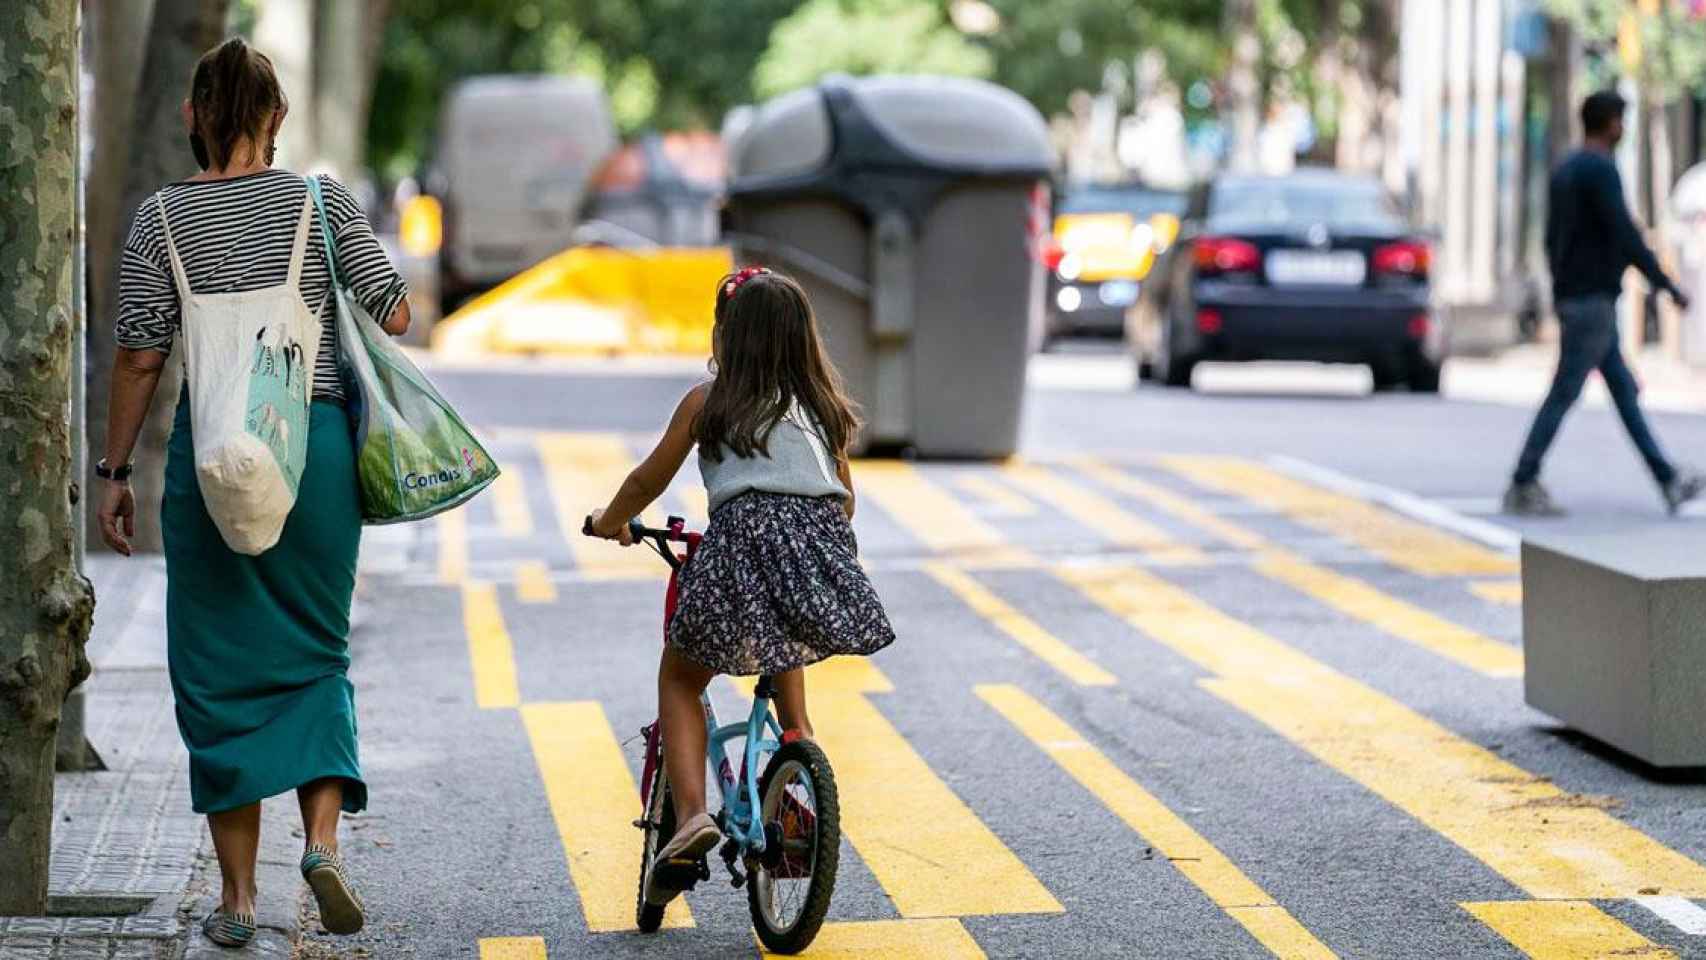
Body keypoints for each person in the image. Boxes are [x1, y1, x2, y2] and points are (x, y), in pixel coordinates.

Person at [98, 38, 410, 947]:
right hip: (310, 454)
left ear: (192, 116)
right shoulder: (320, 200)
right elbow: (394, 310)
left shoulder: (161, 220)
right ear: (276, 118)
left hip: (212, 457)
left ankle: (237, 901)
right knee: (316, 654)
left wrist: (115, 473)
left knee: (215, 673)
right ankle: (319, 850)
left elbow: (140, 355)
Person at [588, 267, 895, 908]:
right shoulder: (822, 410)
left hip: (739, 544)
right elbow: (846, 502)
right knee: (792, 691)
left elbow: (648, 482)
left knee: (680, 678)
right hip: (819, 552)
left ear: (726, 337)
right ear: (803, 342)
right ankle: (795, 758)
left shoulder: (709, 402)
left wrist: (611, 522)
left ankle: (695, 815)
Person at [1505, 90, 1700, 516]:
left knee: (1624, 393)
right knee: (1564, 392)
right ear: (1610, 123)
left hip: (1580, 299)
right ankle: (1523, 478)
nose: (1624, 129)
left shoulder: (1566, 169)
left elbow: (1551, 241)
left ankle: (1667, 478)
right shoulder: (1599, 171)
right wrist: (1667, 285)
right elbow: (1624, 235)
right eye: (1621, 120)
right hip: (1591, 302)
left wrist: (1559, 293)